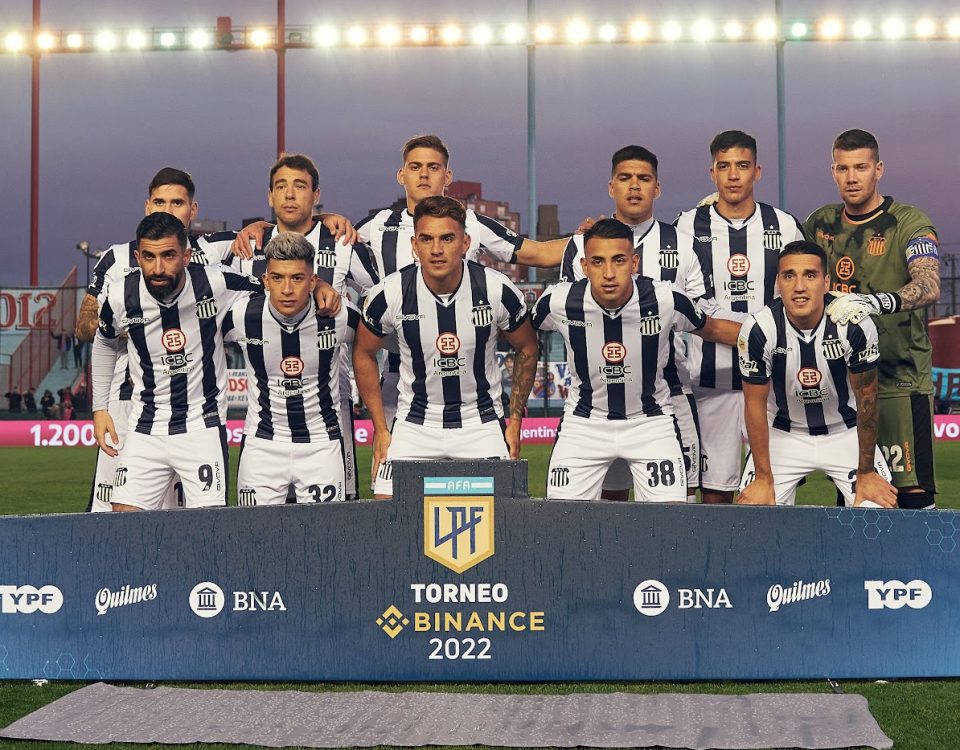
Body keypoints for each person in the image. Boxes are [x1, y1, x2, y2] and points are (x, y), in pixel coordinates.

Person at [234, 135, 567, 429]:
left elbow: (539, 253)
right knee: (391, 475)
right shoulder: (378, 225)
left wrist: (588, 240)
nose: (423, 174)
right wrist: (272, 226)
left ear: (447, 176)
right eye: (415, 167)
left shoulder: (471, 223)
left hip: (468, 376)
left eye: (433, 167)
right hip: (398, 378)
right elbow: (315, 234)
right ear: (401, 175)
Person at [92, 212, 318, 511]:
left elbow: (275, 287)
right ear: (138, 257)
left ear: (186, 256)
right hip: (144, 426)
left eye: (168, 256)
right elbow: (104, 341)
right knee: (124, 520)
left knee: (207, 525)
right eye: (149, 257)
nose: (158, 268)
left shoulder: (216, 281)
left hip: (202, 426)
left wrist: (320, 288)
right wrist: (100, 408)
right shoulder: (121, 295)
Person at [532, 218, 740, 502]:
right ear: (584, 266)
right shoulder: (558, 301)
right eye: (598, 262)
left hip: (651, 424)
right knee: (563, 518)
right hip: (584, 425)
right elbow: (521, 332)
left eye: (618, 260)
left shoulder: (665, 299)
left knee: (670, 519)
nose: (608, 273)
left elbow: (714, 329)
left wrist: (771, 337)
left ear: (634, 263)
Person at [353, 195, 539, 499]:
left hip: (480, 423)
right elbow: (363, 351)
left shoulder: (497, 289)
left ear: (465, 243)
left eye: (447, 238)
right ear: (414, 245)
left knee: (502, 516)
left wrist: (515, 420)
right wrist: (381, 428)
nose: (436, 249)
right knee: (388, 512)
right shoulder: (389, 293)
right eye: (426, 239)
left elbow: (528, 348)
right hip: (414, 424)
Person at [222, 153, 378, 501]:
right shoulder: (248, 245)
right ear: (269, 196)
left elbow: (379, 300)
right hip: (268, 407)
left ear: (316, 194)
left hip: (331, 402)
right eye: (281, 187)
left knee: (334, 511)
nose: (290, 194)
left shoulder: (342, 242)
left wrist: (331, 293)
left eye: (300, 187)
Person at [562, 145, 712, 501]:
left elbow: (705, 318)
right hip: (596, 405)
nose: (634, 186)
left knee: (681, 499)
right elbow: (571, 312)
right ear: (611, 186)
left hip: (669, 394)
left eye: (643, 179)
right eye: (625, 178)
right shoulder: (581, 246)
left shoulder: (683, 245)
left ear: (656, 188)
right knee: (608, 500)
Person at [805, 129, 940, 510]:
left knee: (910, 496)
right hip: (843, 386)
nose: (851, 177)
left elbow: (929, 284)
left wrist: (875, 302)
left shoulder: (907, 222)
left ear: (878, 169)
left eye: (861, 167)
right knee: (853, 497)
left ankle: (919, 553)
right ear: (833, 171)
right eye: (843, 168)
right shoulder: (820, 223)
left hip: (899, 381)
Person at [675, 130, 806, 504]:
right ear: (712, 172)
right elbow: (687, 305)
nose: (733, 175)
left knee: (774, 494)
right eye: (724, 166)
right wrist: (756, 336)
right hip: (711, 381)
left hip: (773, 383)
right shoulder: (687, 226)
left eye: (743, 166)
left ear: (757, 172)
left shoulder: (784, 225)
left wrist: (758, 339)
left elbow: (797, 300)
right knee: (715, 493)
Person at [737, 241, 897, 508]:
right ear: (778, 283)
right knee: (753, 515)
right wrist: (763, 478)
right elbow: (754, 405)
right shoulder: (758, 328)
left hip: (846, 431)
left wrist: (867, 473)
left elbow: (867, 400)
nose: (799, 287)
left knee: (877, 510)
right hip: (782, 433)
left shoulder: (853, 323)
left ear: (826, 282)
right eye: (789, 276)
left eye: (810, 275)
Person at [224, 232, 360, 505]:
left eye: (297, 278)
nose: (287, 289)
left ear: (313, 281)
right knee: (253, 529)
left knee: (325, 530)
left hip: (321, 444)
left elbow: (374, 346)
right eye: (277, 278)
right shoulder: (241, 315)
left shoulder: (340, 316)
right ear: (265, 280)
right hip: (262, 445)